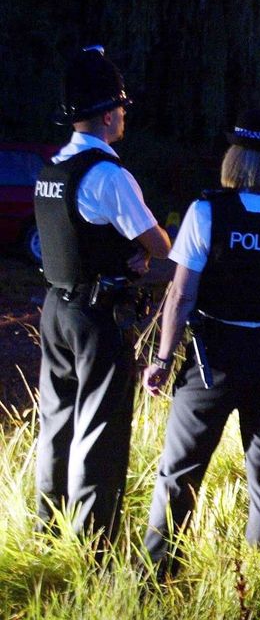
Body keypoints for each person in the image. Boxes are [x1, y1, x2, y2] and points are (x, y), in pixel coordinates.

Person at [141, 108, 260, 577]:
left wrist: (163, 358)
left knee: (180, 471)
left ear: (236, 158)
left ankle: (158, 573)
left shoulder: (207, 211)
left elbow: (181, 294)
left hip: (212, 360)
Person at [34, 46, 171, 545]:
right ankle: (93, 542)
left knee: (57, 421)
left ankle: (47, 527)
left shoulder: (53, 170)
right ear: (110, 114)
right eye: (122, 111)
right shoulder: (110, 175)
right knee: (101, 428)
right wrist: (144, 253)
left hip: (55, 306)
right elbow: (156, 241)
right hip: (97, 315)